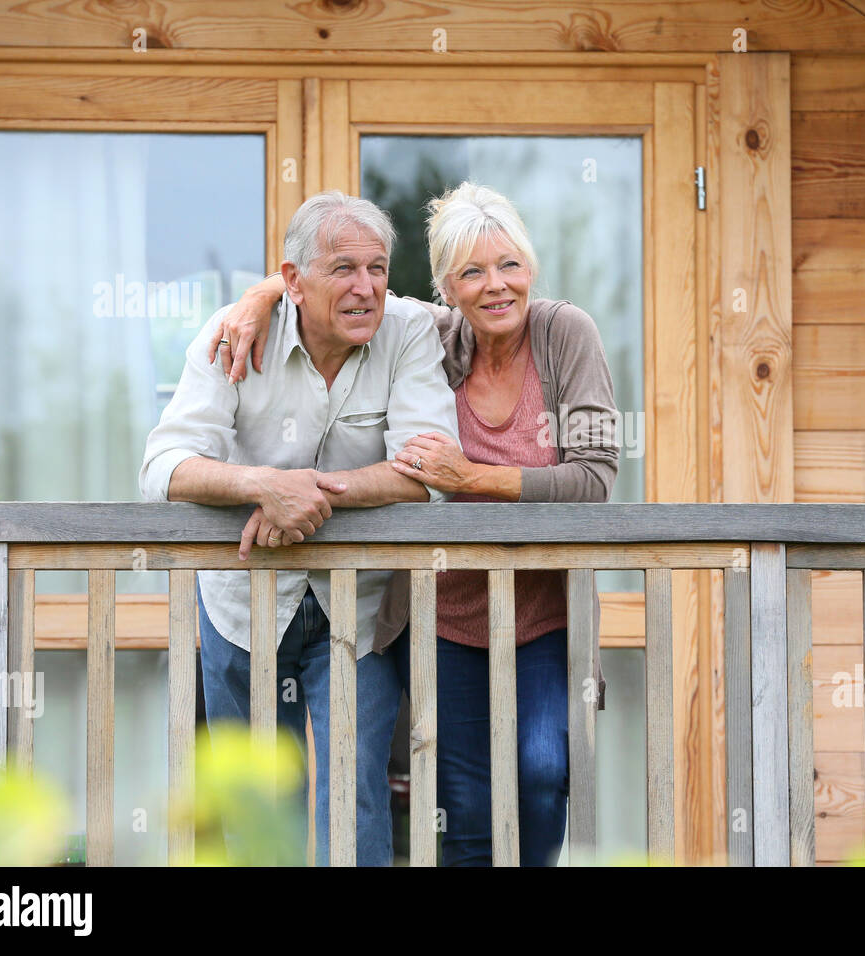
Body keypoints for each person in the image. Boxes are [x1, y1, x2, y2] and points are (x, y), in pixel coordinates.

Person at [210, 181, 618, 866]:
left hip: (544, 616)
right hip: (444, 617)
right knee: (462, 805)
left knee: (545, 778)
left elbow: (595, 479)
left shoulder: (566, 334)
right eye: (473, 272)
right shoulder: (424, 333)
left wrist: (470, 479)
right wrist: (259, 298)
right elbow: (332, 283)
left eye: (510, 264)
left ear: (532, 267)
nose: (497, 286)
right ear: (445, 288)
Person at [139, 190, 460, 866]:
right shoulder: (232, 333)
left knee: (353, 797)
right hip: (240, 601)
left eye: (378, 268)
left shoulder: (407, 331)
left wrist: (311, 498)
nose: (366, 288)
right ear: (292, 282)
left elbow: (429, 469)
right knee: (259, 810)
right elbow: (162, 467)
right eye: (343, 269)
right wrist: (262, 485)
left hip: (359, 605)